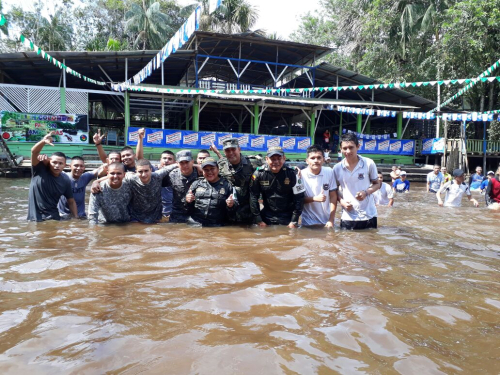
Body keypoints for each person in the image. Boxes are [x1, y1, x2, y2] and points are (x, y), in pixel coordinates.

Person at [27, 131, 78, 221]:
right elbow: (34, 152)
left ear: (65, 165)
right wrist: (43, 141)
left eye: (60, 163)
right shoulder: (39, 170)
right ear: (49, 162)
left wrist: (76, 219)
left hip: (54, 219)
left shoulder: (65, 180)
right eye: (54, 162)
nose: (57, 165)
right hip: (36, 218)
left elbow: (71, 201)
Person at [333, 133, 380, 230]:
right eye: (345, 148)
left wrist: (366, 192)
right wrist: (342, 202)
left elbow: (377, 184)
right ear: (340, 149)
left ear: (358, 147)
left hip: (369, 214)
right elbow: (333, 190)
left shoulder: (368, 163)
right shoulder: (337, 168)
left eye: (351, 147)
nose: (348, 151)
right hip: (347, 215)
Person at [250, 146, 305, 228]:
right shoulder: (259, 174)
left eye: (279, 158)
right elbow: (253, 197)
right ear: (267, 159)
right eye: (272, 159)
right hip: (266, 217)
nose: (276, 162)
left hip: (287, 217)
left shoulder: (293, 173)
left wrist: (294, 220)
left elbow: (299, 198)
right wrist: (259, 220)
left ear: (284, 158)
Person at [212, 138, 256, 224]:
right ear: (224, 153)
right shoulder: (220, 165)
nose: (231, 153)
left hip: (249, 212)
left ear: (239, 149)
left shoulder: (253, 162)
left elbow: (271, 166)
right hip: (227, 213)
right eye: (228, 150)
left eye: (233, 149)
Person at [185, 157, 236, 226]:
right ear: (202, 171)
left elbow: (233, 212)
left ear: (218, 169)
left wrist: (231, 205)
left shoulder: (227, 186)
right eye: (206, 170)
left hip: (217, 225)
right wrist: (187, 200)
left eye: (212, 169)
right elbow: (186, 208)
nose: (209, 172)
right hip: (195, 224)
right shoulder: (196, 184)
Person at [124, 159, 178, 223]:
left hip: (155, 216)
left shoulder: (157, 176)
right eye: (140, 171)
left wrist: (181, 165)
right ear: (136, 172)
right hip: (136, 216)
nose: (144, 174)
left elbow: (166, 169)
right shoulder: (131, 179)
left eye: (146, 171)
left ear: (151, 170)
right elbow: (122, 175)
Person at [301, 145, 337, 228]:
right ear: (307, 161)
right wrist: (314, 198)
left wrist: (331, 220)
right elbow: (297, 200)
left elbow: (333, 196)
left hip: (327, 222)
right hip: (308, 223)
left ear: (323, 159)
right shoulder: (301, 175)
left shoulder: (329, 172)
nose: (316, 161)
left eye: (319, 158)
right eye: (312, 158)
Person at [161, 150, 200, 223]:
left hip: (196, 214)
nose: (185, 165)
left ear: (192, 161)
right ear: (177, 164)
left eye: (187, 162)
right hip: (177, 215)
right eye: (182, 163)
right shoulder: (172, 175)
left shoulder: (201, 174)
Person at [158, 150, 176, 218]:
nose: (166, 160)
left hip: (172, 214)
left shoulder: (178, 175)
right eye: (164, 158)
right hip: (156, 214)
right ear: (160, 160)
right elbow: (140, 160)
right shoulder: (153, 173)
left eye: (170, 159)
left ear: (174, 162)